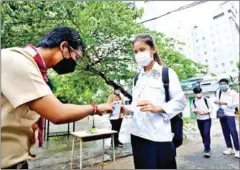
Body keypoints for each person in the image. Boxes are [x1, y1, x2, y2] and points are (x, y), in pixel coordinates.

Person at [1, 26, 113, 169]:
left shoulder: (33, 68)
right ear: (64, 46)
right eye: (76, 57)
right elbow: (58, 113)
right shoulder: (18, 61)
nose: (75, 63)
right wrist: (95, 108)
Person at [122, 34, 187, 169]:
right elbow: (136, 105)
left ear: (153, 49)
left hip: (159, 137)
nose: (139, 54)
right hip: (138, 135)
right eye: (135, 51)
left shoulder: (167, 73)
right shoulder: (137, 79)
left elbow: (181, 102)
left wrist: (158, 107)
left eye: (142, 49)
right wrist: (125, 109)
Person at [214, 78, 239, 158]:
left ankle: (237, 150)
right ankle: (229, 148)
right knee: (225, 132)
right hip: (222, 114)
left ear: (228, 84)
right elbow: (217, 101)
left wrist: (224, 103)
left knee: (233, 132)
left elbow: (236, 104)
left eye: (224, 84)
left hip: (230, 115)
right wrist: (217, 102)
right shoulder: (218, 92)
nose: (222, 85)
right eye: (220, 84)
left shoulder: (233, 93)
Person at [192, 86, 214, 158]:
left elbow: (211, 108)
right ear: (194, 93)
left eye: (199, 92)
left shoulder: (206, 100)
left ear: (201, 92)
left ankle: (207, 149)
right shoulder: (193, 101)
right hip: (199, 119)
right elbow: (193, 109)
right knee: (202, 133)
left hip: (207, 119)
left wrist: (205, 113)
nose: (198, 94)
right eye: (196, 93)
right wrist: (196, 111)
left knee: (206, 133)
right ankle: (206, 145)